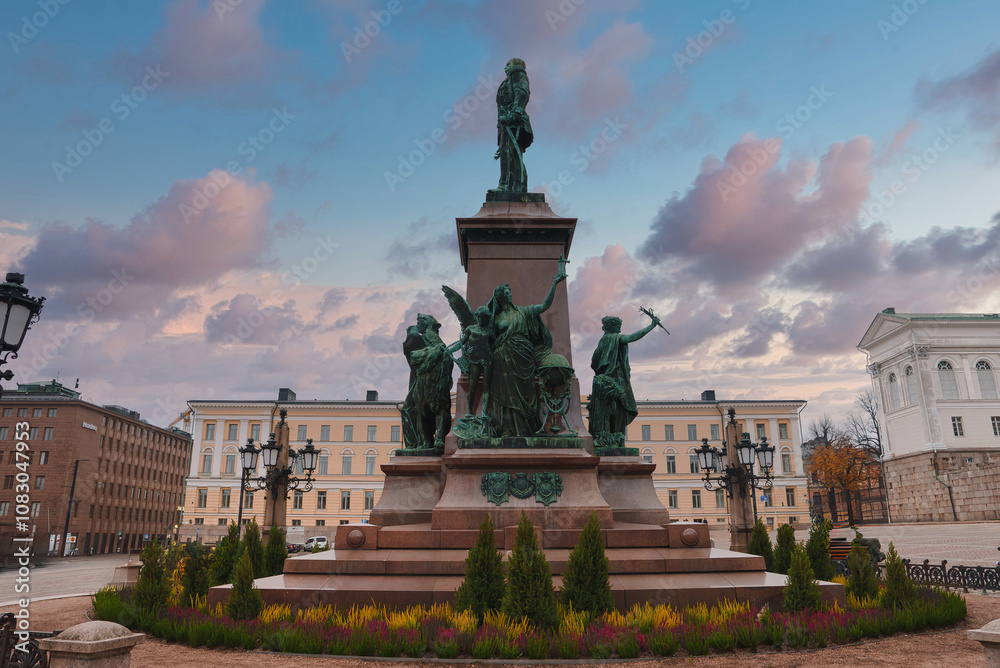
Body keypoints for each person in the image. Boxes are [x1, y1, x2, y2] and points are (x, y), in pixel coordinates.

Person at [485, 270, 566, 436]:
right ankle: (506, 428)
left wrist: (555, 284)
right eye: (506, 293)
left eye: (510, 292)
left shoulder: (524, 311)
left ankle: (526, 427)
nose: (509, 295)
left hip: (523, 357)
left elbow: (544, 306)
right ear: (500, 297)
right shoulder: (496, 317)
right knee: (505, 394)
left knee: (526, 391)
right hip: (502, 358)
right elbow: (488, 338)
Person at [589, 314, 660, 444]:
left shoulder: (603, 340)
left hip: (608, 379)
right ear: (612, 327)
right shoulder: (611, 338)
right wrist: (652, 325)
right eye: (618, 326)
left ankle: (611, 439)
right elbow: (632, 337)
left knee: (611, 412)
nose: (620, 329)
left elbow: (594, 361)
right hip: (615, 378)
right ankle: (616, 440)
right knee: (618, 411)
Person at [401, 313, 454, 449]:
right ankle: (422, 442)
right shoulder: (422, 336)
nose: (417, 324)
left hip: (430, 380)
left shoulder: (430, 335)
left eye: (420, 321)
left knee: (416, 410)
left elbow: (442, 353)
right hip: (423, 379)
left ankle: (423, 442)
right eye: (417, 321)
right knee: (416, 410)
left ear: (427, 324)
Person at [488, 58, 533, 194]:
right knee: (509, 154)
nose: (505, 68)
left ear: (516, 65)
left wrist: (516, 111)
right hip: (505, 124)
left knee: (511, 154)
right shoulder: (507, 81)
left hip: (512, 121)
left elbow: (522, 92)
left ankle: (506, 186)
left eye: (508, 64)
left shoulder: (518, 73)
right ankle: (517, 186)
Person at [461, 306, 494, 416]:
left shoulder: (489, 331)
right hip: (474, 360)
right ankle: (469, 411)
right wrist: (465, 351)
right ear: (477, 316)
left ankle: (484, 412)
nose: (481, 320)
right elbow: (461, 342)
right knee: (472, 386)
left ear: (487, 318)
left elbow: (496, 345)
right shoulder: (470, 329)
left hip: (487, 360)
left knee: (486, 386)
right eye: (479, 317)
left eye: (484, 317)